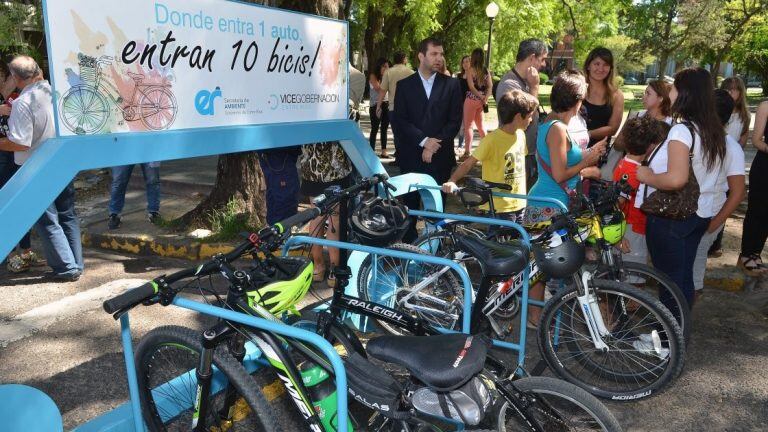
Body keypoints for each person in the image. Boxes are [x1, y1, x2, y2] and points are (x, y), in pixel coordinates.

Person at [636, 67, 726, 309]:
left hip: (674, 217)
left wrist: (646, 176)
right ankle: (678, 337)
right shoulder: (712, 129)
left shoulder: (682, 130)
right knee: (683, 280)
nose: (671, 92)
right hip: (701, 214)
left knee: (669, 284)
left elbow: (676, 179)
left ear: (685, 92)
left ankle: (669, 343)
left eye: (674, 87)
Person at [524, 70, 607, 324]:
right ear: (578, 99)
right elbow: (560, 174)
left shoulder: (554, 124)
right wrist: (589, 159)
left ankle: (538, 316)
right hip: (547, 205)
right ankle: (535, 317)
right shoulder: (558, 129)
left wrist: (587, 158)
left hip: (553, 203)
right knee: (540, 267)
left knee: (545, 266)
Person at [0, 55, 83, 281]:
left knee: (46, 219)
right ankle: (76, 262)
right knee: (67, 215)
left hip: (34, 166)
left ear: (16, 78)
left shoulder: (23, 102)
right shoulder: (53, 92)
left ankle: (66, 268)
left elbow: (20, 142)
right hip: (61, 160)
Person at [393, 37, 463, 242]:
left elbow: (454, 120)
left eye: (441, 54)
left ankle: (435, 251)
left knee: (436, 210)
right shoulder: (404, 85)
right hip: (411, 157)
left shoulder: (451, 85)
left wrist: (433, 145)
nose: (439, 58)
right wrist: (424, 142)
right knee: (410, 209)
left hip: (440, 159)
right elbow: (400, 121)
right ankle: (409, 254)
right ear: (421, 56)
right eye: (434, 54)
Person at [442, 90, 539, 219]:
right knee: (499, 239)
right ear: (517, 117)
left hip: (520, 203)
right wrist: (452, 180)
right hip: (498, 207)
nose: (531, 120)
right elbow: (468, 164)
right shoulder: (491, 140)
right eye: (529, 116)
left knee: (518, 239)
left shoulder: (521, 135)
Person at [691, 89, 745, 299]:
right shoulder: (691, 138)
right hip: (687, 213)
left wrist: (715, 223)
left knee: (695, 265)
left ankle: (681, 316)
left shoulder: (731, 147)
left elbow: (738, 193)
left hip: (709, 216)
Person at [0, 61, 45, 273]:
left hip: (14, 155)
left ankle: (26, 251)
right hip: (4, 153)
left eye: (5, 75)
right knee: (5, 204)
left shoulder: (20, 97)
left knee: (21, 204)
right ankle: (8, 254)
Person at [613, 116, 670, 268]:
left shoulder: (626, 162)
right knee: (634, 276)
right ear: (650, 145)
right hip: (633, 229)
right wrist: (617, 237)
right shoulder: (634, 172)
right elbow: (618, 203)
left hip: (631, 228)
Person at [299, 141, 353, 288]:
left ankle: (318, 266)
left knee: (317, 216)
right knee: (335, 218)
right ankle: (334, 271)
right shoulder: (337, 115)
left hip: (312, 167)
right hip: (336, 168)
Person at [496, 39, 548, 190]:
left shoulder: (523, 81)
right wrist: (534, 87)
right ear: (532, 58)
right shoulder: (509, 85)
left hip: (526, 154)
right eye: (542, 59)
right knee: (517, 201)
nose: (543, 64)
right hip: (515, 156)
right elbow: (523, 120)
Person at [579, 48, 625, 180]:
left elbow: (613, 129)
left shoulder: (616, 95)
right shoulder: (577, 89)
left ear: (610, 68)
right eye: (596, 64)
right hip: (574, 151)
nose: (601, 68)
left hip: (599, 154)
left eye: (605, 65)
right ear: (588, 65)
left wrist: (587, 134)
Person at [737, 99, 768, 275]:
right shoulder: (765, 106)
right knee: (757, 210)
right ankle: (746, 254)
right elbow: (756, 140)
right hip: (764, 166)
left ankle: (756, 253)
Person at [378, 51, 414, 166]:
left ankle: (399, 158)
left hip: (393, 107)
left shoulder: (389, 72)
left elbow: (383, 91)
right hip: (409, 109)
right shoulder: (411, 72)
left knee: (397, 134)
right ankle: (409, 157)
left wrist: (378, 106)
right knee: (408, 133)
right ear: (404, 59)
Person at [107, 162, 161, 229]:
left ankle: (154, 212)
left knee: (153, 180)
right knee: (119, 181)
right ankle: (114, 214)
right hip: (122, 152)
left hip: (149, 152)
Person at [460, 48, 492, 160]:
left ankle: (467, 152)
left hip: (471, 100)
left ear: (473, 58)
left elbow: (471, 87)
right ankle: (489, 149)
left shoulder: (470, 70)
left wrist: (480, 96)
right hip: (481, 102)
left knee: (468, 126)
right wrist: (485, 98)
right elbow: (490, 86)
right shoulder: (485, 70)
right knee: (481, 126)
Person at [368, 58, 391, 157]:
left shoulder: (387, 77)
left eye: (388, 67)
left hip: (386, 104)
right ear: (379, 66)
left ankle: (384, 151)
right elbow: (379, 89)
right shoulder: (373, 76)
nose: (386, 68)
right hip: (375, 105)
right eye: (384, 66)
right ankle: (371, 150)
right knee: (375, 128)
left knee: (384, 128)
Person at [720, 76, 750, 147]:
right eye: (728, 89)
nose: (731, 92)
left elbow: (743, 141)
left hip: (734, 154)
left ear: (741, 92)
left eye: (735, 89)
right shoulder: (715, 112)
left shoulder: (744, 115)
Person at [455, 55, 470, 150]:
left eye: (467, 61)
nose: (465, 64)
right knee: (459, 124)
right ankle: (460, 144)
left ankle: (461, 145)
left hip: (469, 103)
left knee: (465, 125)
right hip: (459, 102)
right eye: (463, 62)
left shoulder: (473, 76)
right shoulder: (459, 76)